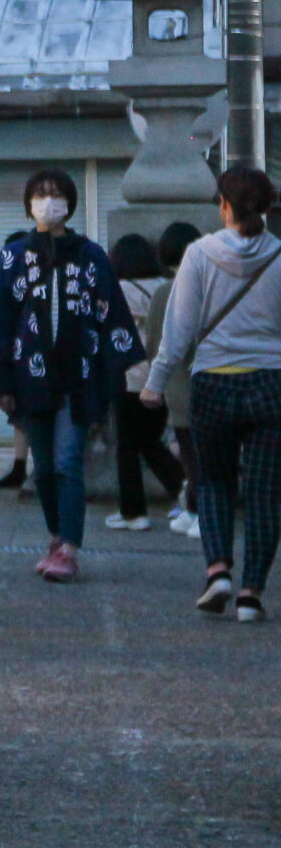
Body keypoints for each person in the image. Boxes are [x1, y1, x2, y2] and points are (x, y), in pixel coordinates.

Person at [0, 169, 142, 584]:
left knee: (69, 461)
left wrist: (114, 372)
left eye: (56, 195)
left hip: (79, 374)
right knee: (43, 467)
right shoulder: (14, 256)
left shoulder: (90, 255)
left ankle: (70, 547)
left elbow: (111, 311)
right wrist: (0, 380)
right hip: (29, 376)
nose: (48, 202)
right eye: (40, 194)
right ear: (28, 203)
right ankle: (56, 536)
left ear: (70, 203)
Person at [143, 167, 281, 623]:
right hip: (270, 384)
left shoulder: (199, 254)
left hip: (214, 383)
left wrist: (156, 381)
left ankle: (218, 569)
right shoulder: (280, 256)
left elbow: (178, 330)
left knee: (215, 483)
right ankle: (251, 594)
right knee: (264, 493)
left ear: (222, 205)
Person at [108, 234, 184, 533]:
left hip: (130, 377)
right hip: (164, 376)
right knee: (151, 442)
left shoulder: (120, 289)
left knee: (127, 446)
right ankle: (187, 491)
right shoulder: (167, 289)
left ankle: (133, 512)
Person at [157, 221, 207, 536]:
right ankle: (195, 509)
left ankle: (197, 511)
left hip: (176, 384)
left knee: (190, 454)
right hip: (211, 379)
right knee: (207, 454)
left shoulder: (166, 292)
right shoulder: (209, 285)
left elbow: (153, 341)